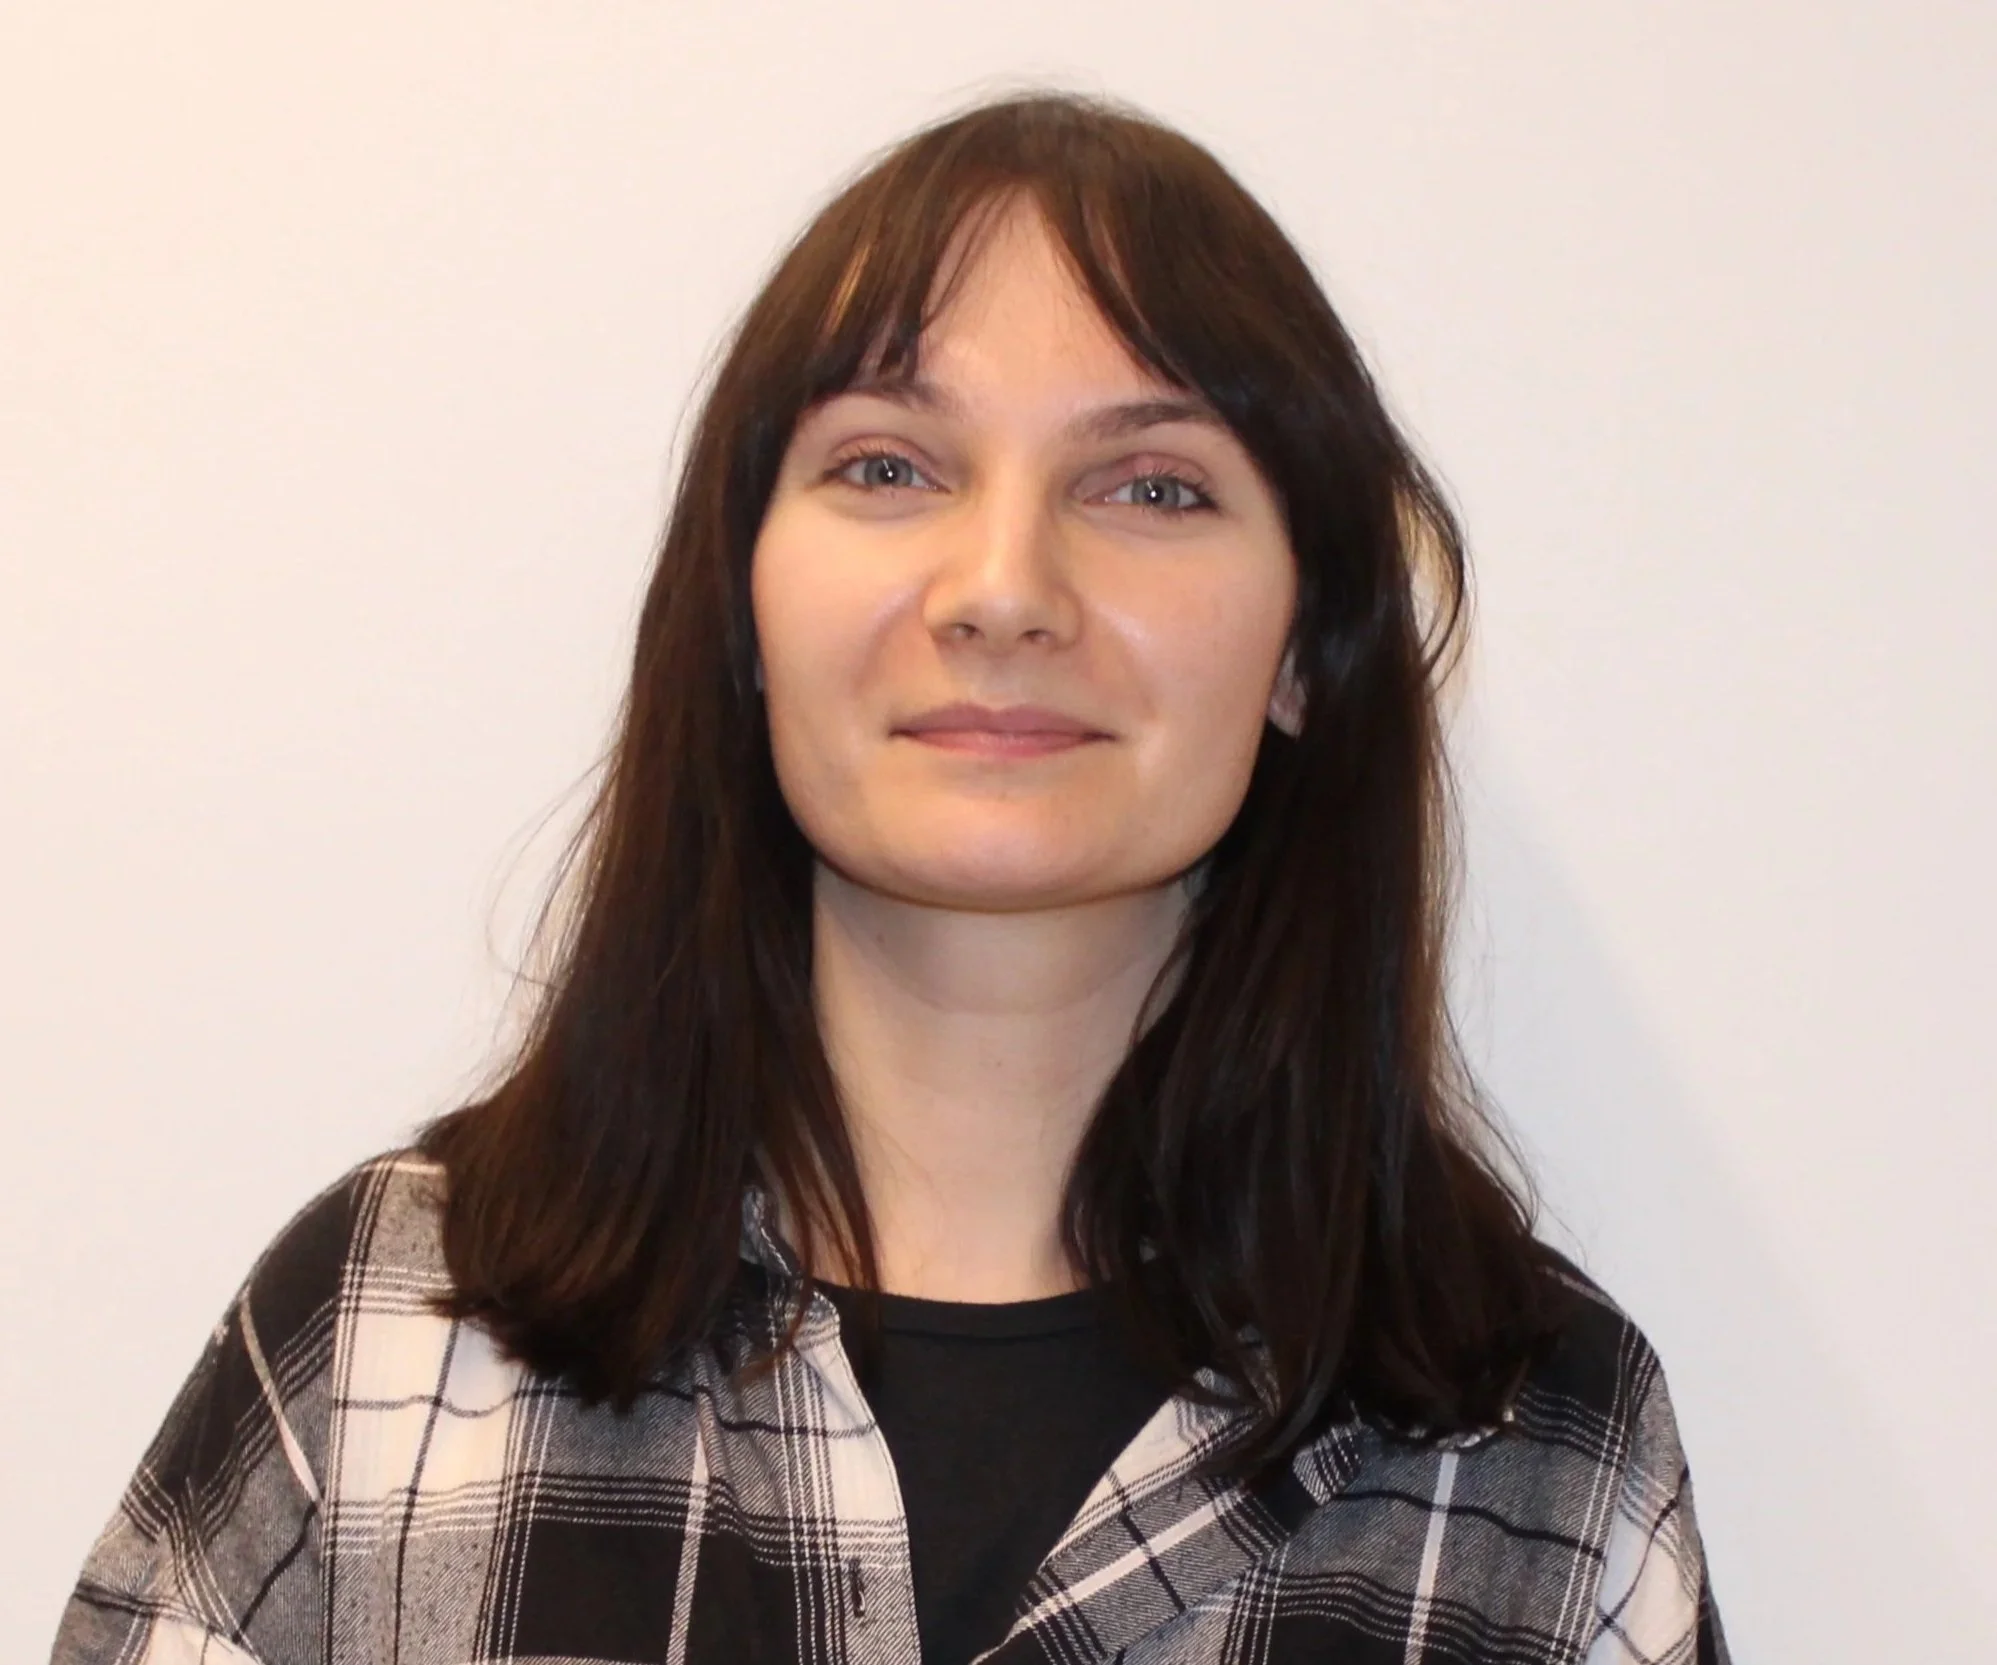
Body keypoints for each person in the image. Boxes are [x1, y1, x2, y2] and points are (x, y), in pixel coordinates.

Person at [51, 91, 1729, 1665]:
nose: (1003, 589)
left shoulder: (1544, 1457)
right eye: (887, 468)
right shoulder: (389, 1343)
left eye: (1153, 486)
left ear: (1308, 649)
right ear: (745, 616)